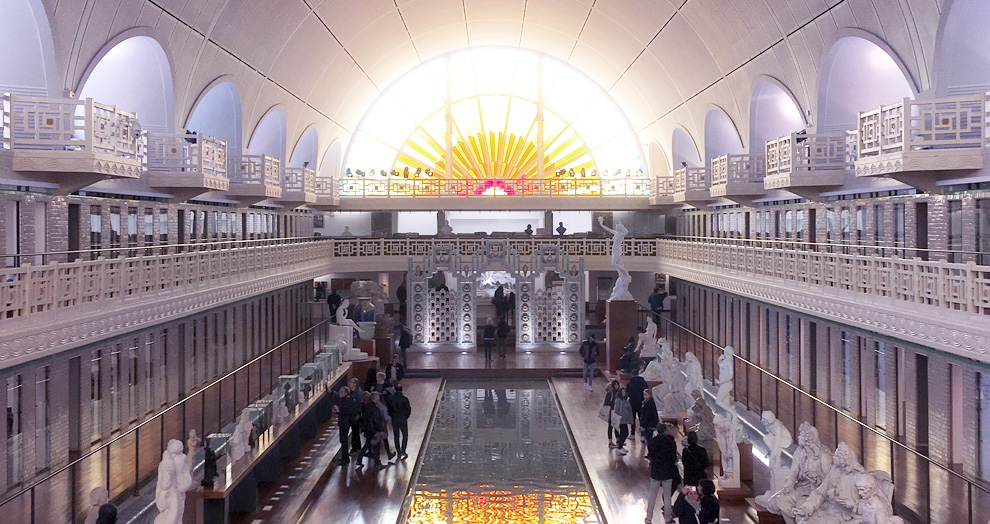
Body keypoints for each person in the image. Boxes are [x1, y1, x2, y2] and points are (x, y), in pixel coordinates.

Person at [646, 423, 681, 524]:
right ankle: (667, 518)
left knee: (652, 495)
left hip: (655, 471)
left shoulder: (652, 441)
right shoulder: (670, 442)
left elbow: (651, 455)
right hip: (667, 472)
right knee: (667, 496)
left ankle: (648, 518)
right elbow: (673, 458)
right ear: (665, 431)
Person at [357, 391, 386, 470]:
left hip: (368, 430)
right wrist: (381, 430)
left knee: (367, 445)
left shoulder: (366, 406)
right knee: (377, 447)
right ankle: (377, 463)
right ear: (375, 398)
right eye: (378, 397)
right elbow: (376, 420)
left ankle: (359, 460)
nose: (379, 399)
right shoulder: (375, 408)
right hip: (374, 431)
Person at [333, 386, 361, 463]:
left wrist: (338, 411)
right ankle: (344, 457)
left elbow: (347, 411)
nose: (340, 393)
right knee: (342, 440)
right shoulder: (342, 399)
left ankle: (345, 458)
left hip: (346, 422)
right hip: (343, 422)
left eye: (341, 392)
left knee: (344, 440)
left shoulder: (350, 400)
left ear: (346, 393)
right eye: (340, 391)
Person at [385, 384, 412, 459]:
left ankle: (398, 451)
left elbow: (388, 409)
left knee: (396, 436)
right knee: (405, 435)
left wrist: (392, 416)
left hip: (394, 419)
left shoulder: (390, 398)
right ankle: (403, 450)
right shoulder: (404, 399)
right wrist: (406, 416)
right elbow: (408, 409)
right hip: (403, 419)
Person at [373, 390, 396, 461]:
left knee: (374, 441)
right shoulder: (383, 407)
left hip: (373, 426)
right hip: (382, 426)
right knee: (384, 440)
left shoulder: (370, 405)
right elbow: (386, 417)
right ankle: (388, 454)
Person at [626, 368, 648, 436]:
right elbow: (646, 390)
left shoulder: (630, 383)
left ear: (632, 375)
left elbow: (628, 393)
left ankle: (632, 434)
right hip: (641, 402)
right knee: (642, 419)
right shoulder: (643, 382)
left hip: (632, 403)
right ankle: (643, 435)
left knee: (632, 419)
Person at [612, 387, 634, 456]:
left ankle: (620, 446)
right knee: (624, 433)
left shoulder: (626, 400)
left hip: (625, 420)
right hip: (622, 420)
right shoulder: (618, 400)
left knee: (624, 433)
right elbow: (616, 410)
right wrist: (623, 415)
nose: (624, 393)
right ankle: (620, 447)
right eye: (622, 392)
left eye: (624, 392)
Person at [639, 388, 660, 453]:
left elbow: (647, 415)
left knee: (649, 440)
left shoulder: (649, 404)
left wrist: (643, 425)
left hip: (649, 425)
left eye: (646, 394)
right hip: (648, 424)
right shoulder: (646, 402)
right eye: (644, 394)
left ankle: (651, 453)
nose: (644, 396)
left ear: (650, 395)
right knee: (648, 440)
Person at [603, 380, 620, 448]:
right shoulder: (610, 393)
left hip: (616, 411)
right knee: (611, 426)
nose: (617, 386)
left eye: (618, 385)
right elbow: (606, 402)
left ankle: (618, 440)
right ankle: (610, 441)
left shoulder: (618, 392)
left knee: (617, 426)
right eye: (616, 385)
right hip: (611, 411)